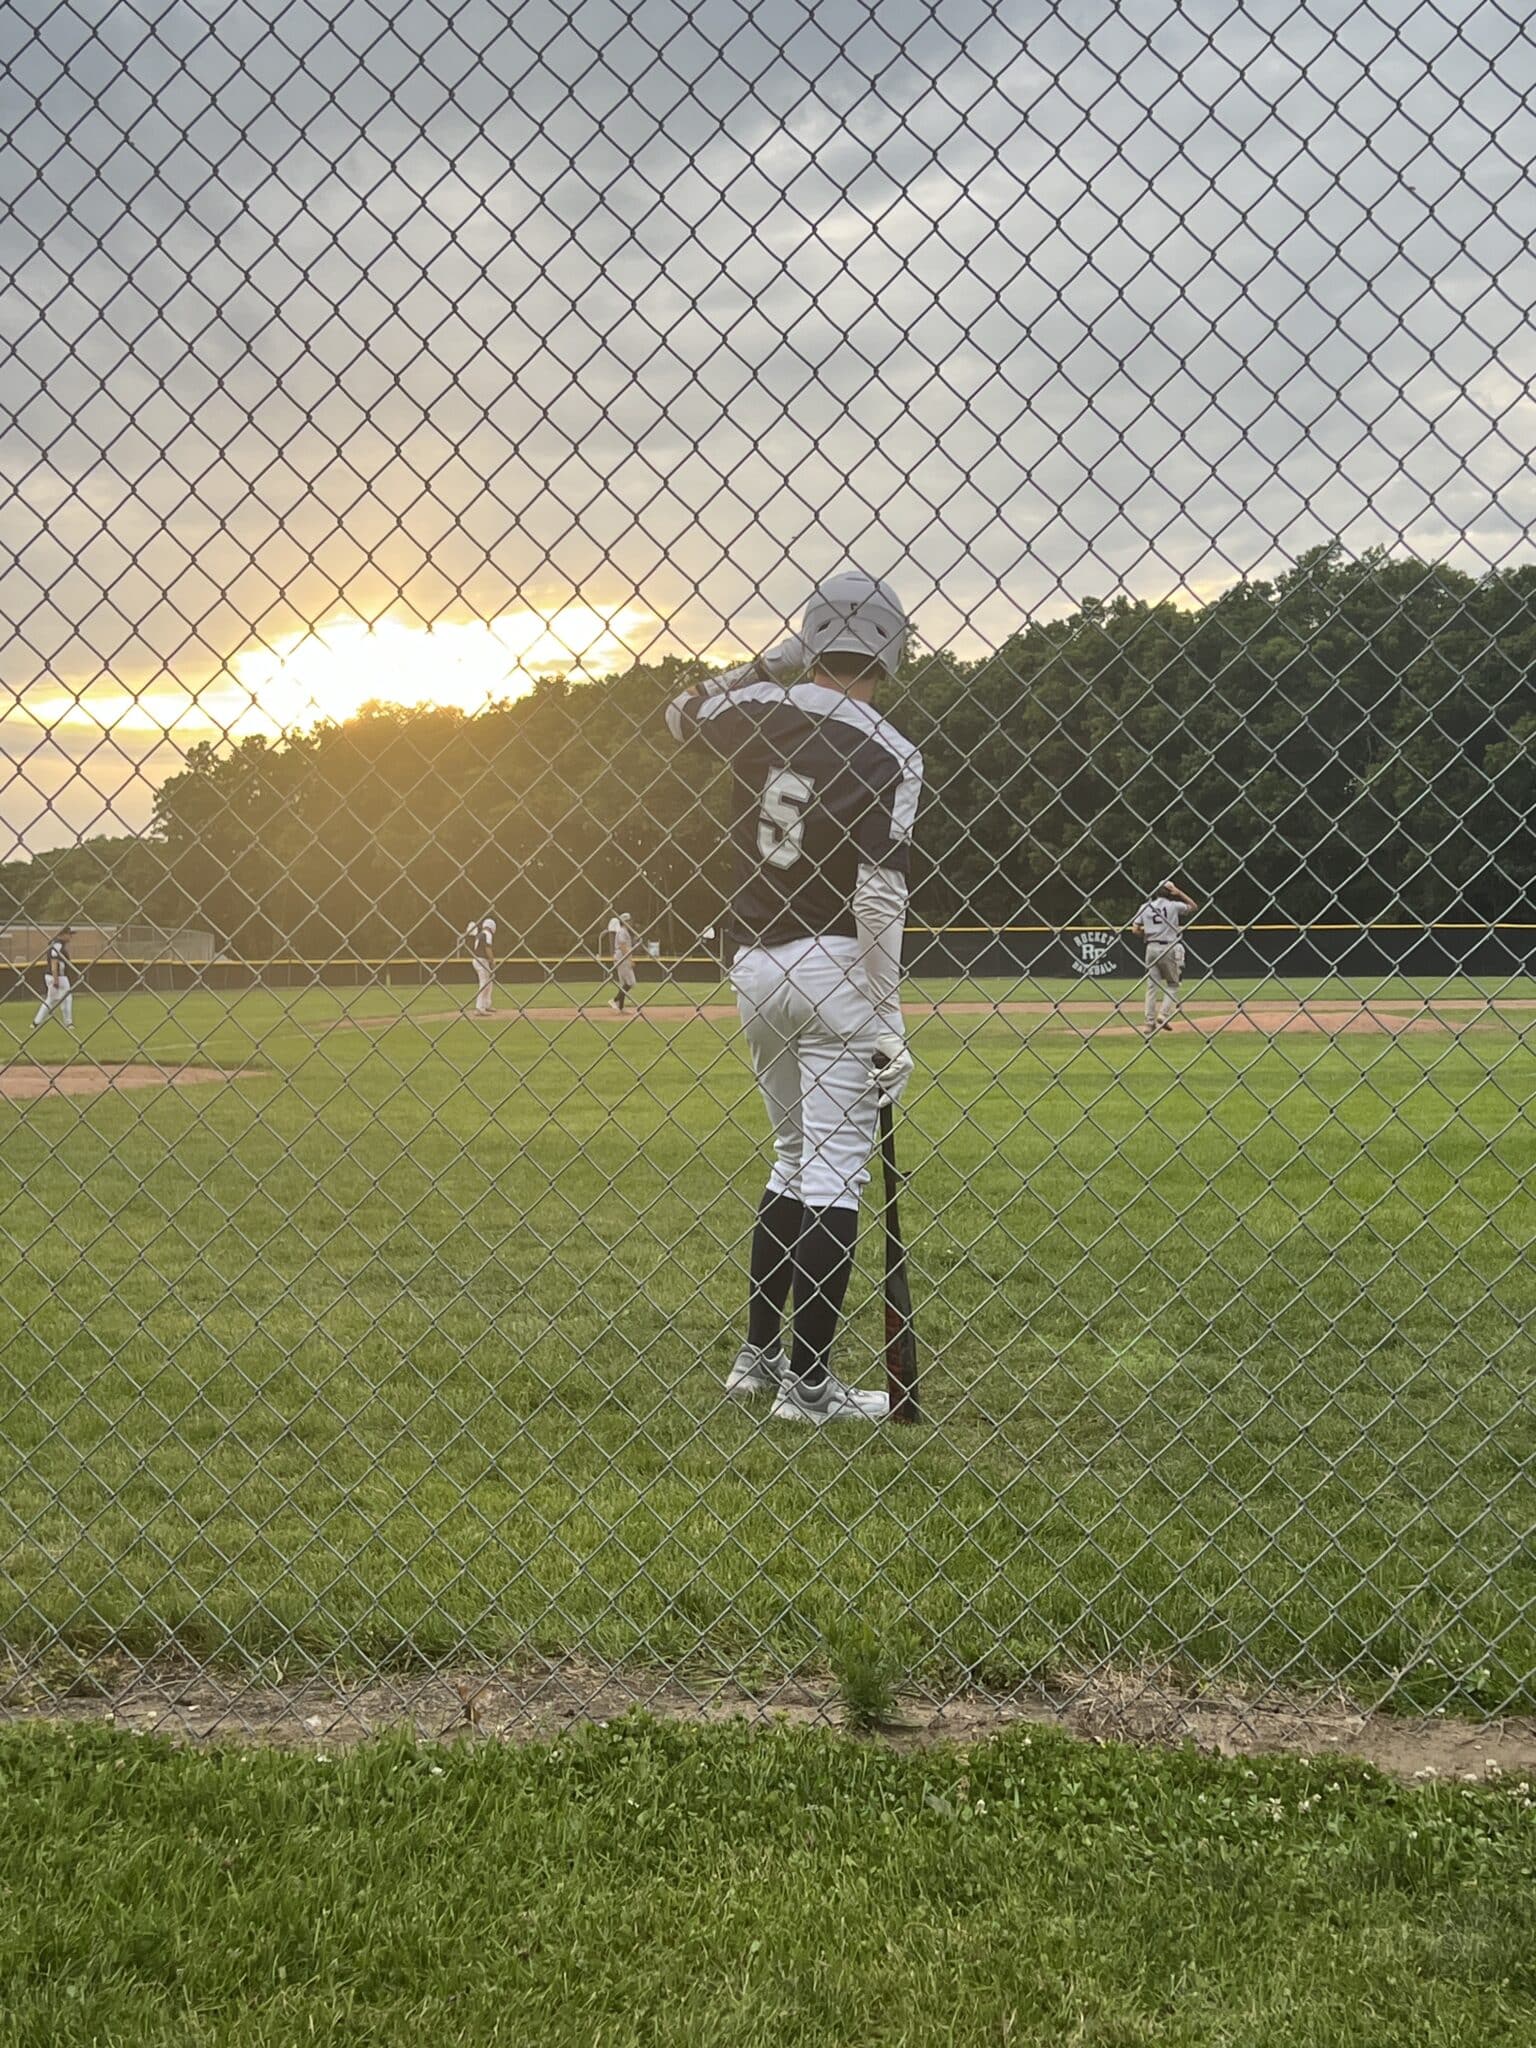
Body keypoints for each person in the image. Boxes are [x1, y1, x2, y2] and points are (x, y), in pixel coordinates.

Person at [664, 571, 922, 1425]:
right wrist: (889, 1020)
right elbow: (881, 896)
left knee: (788, 1156)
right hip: (836, 967)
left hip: (752, 964)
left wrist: (766, 663)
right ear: (891, 648)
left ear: (812, 637)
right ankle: (810, 1390)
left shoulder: (759, 708)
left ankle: (757, 1359)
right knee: (834, 1175)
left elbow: (676, 713)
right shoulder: (892, 748)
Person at [1132, 880, 1198, 1034]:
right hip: (1169, 946)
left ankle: (1148, 1023)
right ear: (1170, 892)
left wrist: (1146, 935)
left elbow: (1135, 929)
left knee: (1151, 986)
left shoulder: (1145, 907)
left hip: (1151, 947)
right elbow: (1194, 907)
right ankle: (1163, 1014)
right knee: (1173, 983)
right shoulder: (1174, 906)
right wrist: (1179, 892)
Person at [32, 927, 75, 1032]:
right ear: (62, 934)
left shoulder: (57, 944)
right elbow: (54, 961)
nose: (70, 936)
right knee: (67, 998)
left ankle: (36, 1022)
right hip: (58, 976)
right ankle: (68, 1023)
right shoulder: (57, 945)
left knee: (50, 1000)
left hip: (54, 976)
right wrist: (56, 978)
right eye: (69, 934)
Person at [608, 912, 640, 1011]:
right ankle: (614, 1000)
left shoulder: (624, 931)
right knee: (631, 982)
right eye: (628, 921)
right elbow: (622, 946)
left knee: (625, 983)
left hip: (622, 958)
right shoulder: (622, 931)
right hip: (622, 958)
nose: (630, 922)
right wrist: (630, 960)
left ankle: (620, 1007)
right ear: (624, 922)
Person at [465, 914, 496, 1015]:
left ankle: (487, 1004)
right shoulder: (488, 934)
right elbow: (488, 948)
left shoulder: (481, 934)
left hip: (477, 960)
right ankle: (480, 1007)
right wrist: (492, 961)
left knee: (489, 982)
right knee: (484, 983)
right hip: (482, 960)